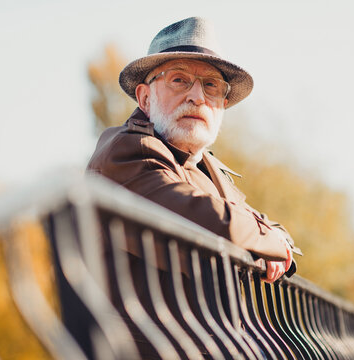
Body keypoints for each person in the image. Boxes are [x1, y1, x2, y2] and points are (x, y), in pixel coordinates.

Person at [87, 17, 300, 283]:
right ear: (144, 98)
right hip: (137, 325)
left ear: (222, 105)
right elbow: (206, 221)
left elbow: (262, 224)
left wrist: (269, 239)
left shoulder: (206, 167)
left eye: (210, 85)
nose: (197, 97)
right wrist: (267, 242)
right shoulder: (128, 150)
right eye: (179, 79)